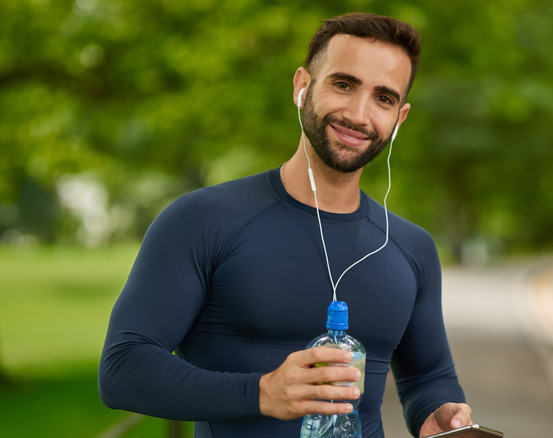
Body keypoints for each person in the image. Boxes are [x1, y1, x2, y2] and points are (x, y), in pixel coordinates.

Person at [99, 12, 472, 438]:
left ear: (399, 119)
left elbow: (428, 377)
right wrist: (261, 393)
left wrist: (439, 415)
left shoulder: (411, 247)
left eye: (383, 98)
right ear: (302, 87)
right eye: (343, 84)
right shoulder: (202, 220)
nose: (358, 113)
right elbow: (122, 368)